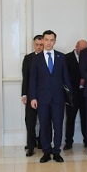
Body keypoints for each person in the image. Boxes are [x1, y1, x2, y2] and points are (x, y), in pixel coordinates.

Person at [29, 30, 70, 163]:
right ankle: (46, 151)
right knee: (44, 126)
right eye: (46, 40)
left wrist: (69, 97)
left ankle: (57, 151)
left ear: (54, 41)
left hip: (58, 99)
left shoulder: (61, 57)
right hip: (42, 99)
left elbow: (66, 79)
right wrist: (33, 98)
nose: (48, 42)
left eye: (51, 40)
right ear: (43, 40)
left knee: (58, 126)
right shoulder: (36, 58)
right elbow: (33, 80)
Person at [64, 39, 87, 150]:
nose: (84, 51)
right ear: (76, 46)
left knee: (86, 118)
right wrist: (78, 81)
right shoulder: (67, 58)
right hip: (72, 94)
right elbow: (65, 75)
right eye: (82, 49)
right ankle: (68, 142)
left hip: (86, 94)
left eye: (86, 49)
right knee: (70, 119)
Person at [21, 35, 43, 156]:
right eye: (37, 45)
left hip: (44, 95)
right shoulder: (28, 58)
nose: (39, 47)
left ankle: (42, 142)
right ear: (33, 45)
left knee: (44, 121)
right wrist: (24, 94)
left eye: (41, 45)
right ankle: (30, 145)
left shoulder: (47, 57)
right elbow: (26, 78)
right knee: (30, 121)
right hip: (30, 95)